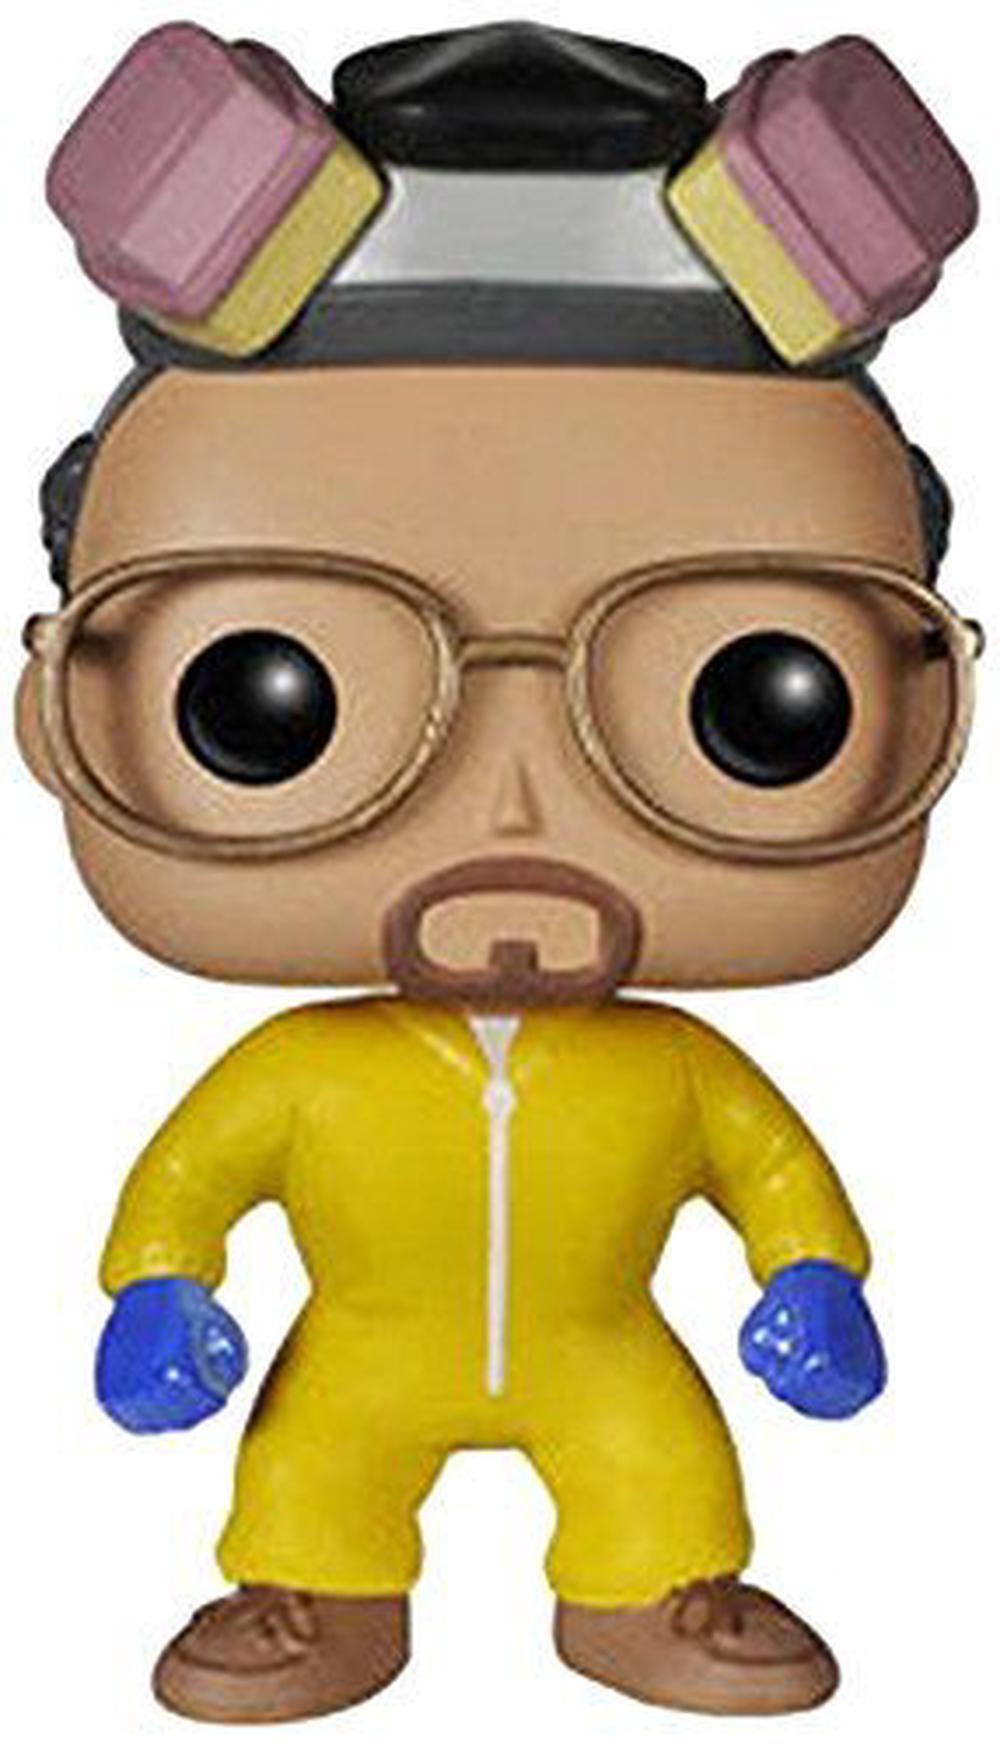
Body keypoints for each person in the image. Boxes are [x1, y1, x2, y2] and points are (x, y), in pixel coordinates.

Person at [17, 20, 981, 1725]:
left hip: (600, 1348)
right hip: (360, 1356)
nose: (519, 808)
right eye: (269, 700)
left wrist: (812, 1275)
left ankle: (655, 1592)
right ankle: (312, 1592)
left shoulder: (674, 1073)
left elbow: (766, 1169)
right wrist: (160, 1287)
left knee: (655, 1466)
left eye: (760, 700)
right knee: (314, 1469)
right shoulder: (301, 1072)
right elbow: (194, 1176)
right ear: (57, 709)